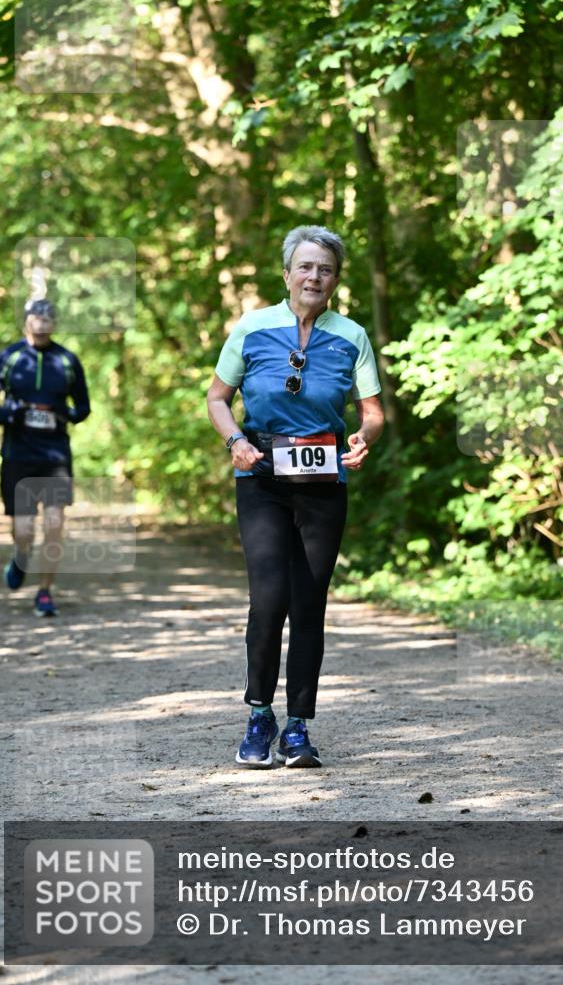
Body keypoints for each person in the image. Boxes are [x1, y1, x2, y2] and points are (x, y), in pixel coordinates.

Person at [207, 225, 384, 768]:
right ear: (287, 274)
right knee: (269, 601)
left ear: (335, 279)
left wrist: (363, 439)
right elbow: (217, 398)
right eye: (305, 266)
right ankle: (259, 715)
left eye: (325, 269)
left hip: (323, 482)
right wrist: (235, 440)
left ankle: (299, 727)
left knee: (310, 604)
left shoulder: (351, 335)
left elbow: (372, 412)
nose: (314, 276)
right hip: (260, 477)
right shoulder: (253, 328)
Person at [0, 299, 91, 617]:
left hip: (55, 454)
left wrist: (66, 414)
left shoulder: (67, 360)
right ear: (27, 321)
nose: (42, 323)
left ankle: (45, 592)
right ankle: (20, 554)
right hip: (18, 452)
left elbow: (83, 406)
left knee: (55, 524)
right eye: (36, 317)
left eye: (48, 318)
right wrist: (9, 414)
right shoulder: (11, 357)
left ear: (54, 324)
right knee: (24, 530)